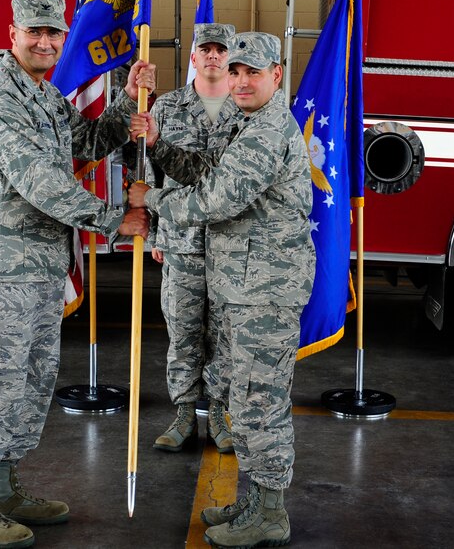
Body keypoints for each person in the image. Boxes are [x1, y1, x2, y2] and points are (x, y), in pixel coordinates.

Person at [0, 0, 153, 548]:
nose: (44, 42)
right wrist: (117, 219)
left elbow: (82, 143)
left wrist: (127, 101)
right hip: (2, 273)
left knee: (31, 385)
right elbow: (39, 181)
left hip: (40, 271)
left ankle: (3, 487)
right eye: (33, 32)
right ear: (10, 32)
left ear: (63, 38)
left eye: (53, 34)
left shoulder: (44, 94)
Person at [128, 32, 315, 548]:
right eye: (234, 71)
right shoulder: (244, 121)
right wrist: (158, 149)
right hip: (241, 284)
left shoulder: (267, 130)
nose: (239, 80)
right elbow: (206, 169)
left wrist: (155, 199)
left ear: (277, 74)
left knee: (260, 401)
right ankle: (253, 501)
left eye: (252, 72)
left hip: (265, 289)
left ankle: (270, 514)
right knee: (242, 394)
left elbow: (216, 197)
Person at [147, 23, 241, 454]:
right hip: (181, 239)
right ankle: (184, 413)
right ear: (194, 54)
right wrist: (154, 232)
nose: (214, 57)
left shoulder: (245, 108)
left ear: (232, 55)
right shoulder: (167, 107)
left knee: (223, 333)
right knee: (182, 330)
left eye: (222, 50)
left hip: (230, 243)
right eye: (206, 48)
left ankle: (218, 413)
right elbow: (150, 170)